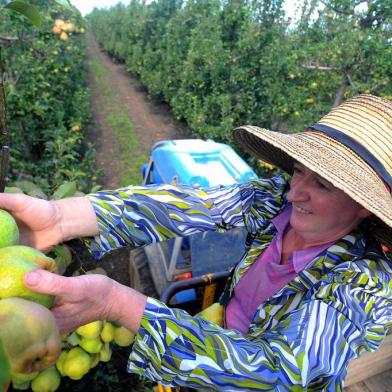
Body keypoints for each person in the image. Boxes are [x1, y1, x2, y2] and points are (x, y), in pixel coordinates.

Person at [1, 94, 392, 391]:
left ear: (363, 206)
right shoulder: (274, 201)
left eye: (321, 184)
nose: (295, 193)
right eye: (299, 172)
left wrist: (119, 304)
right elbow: (189, 206)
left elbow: (282, 374)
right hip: (217, 331)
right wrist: (63, 217)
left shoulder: (364, 282)